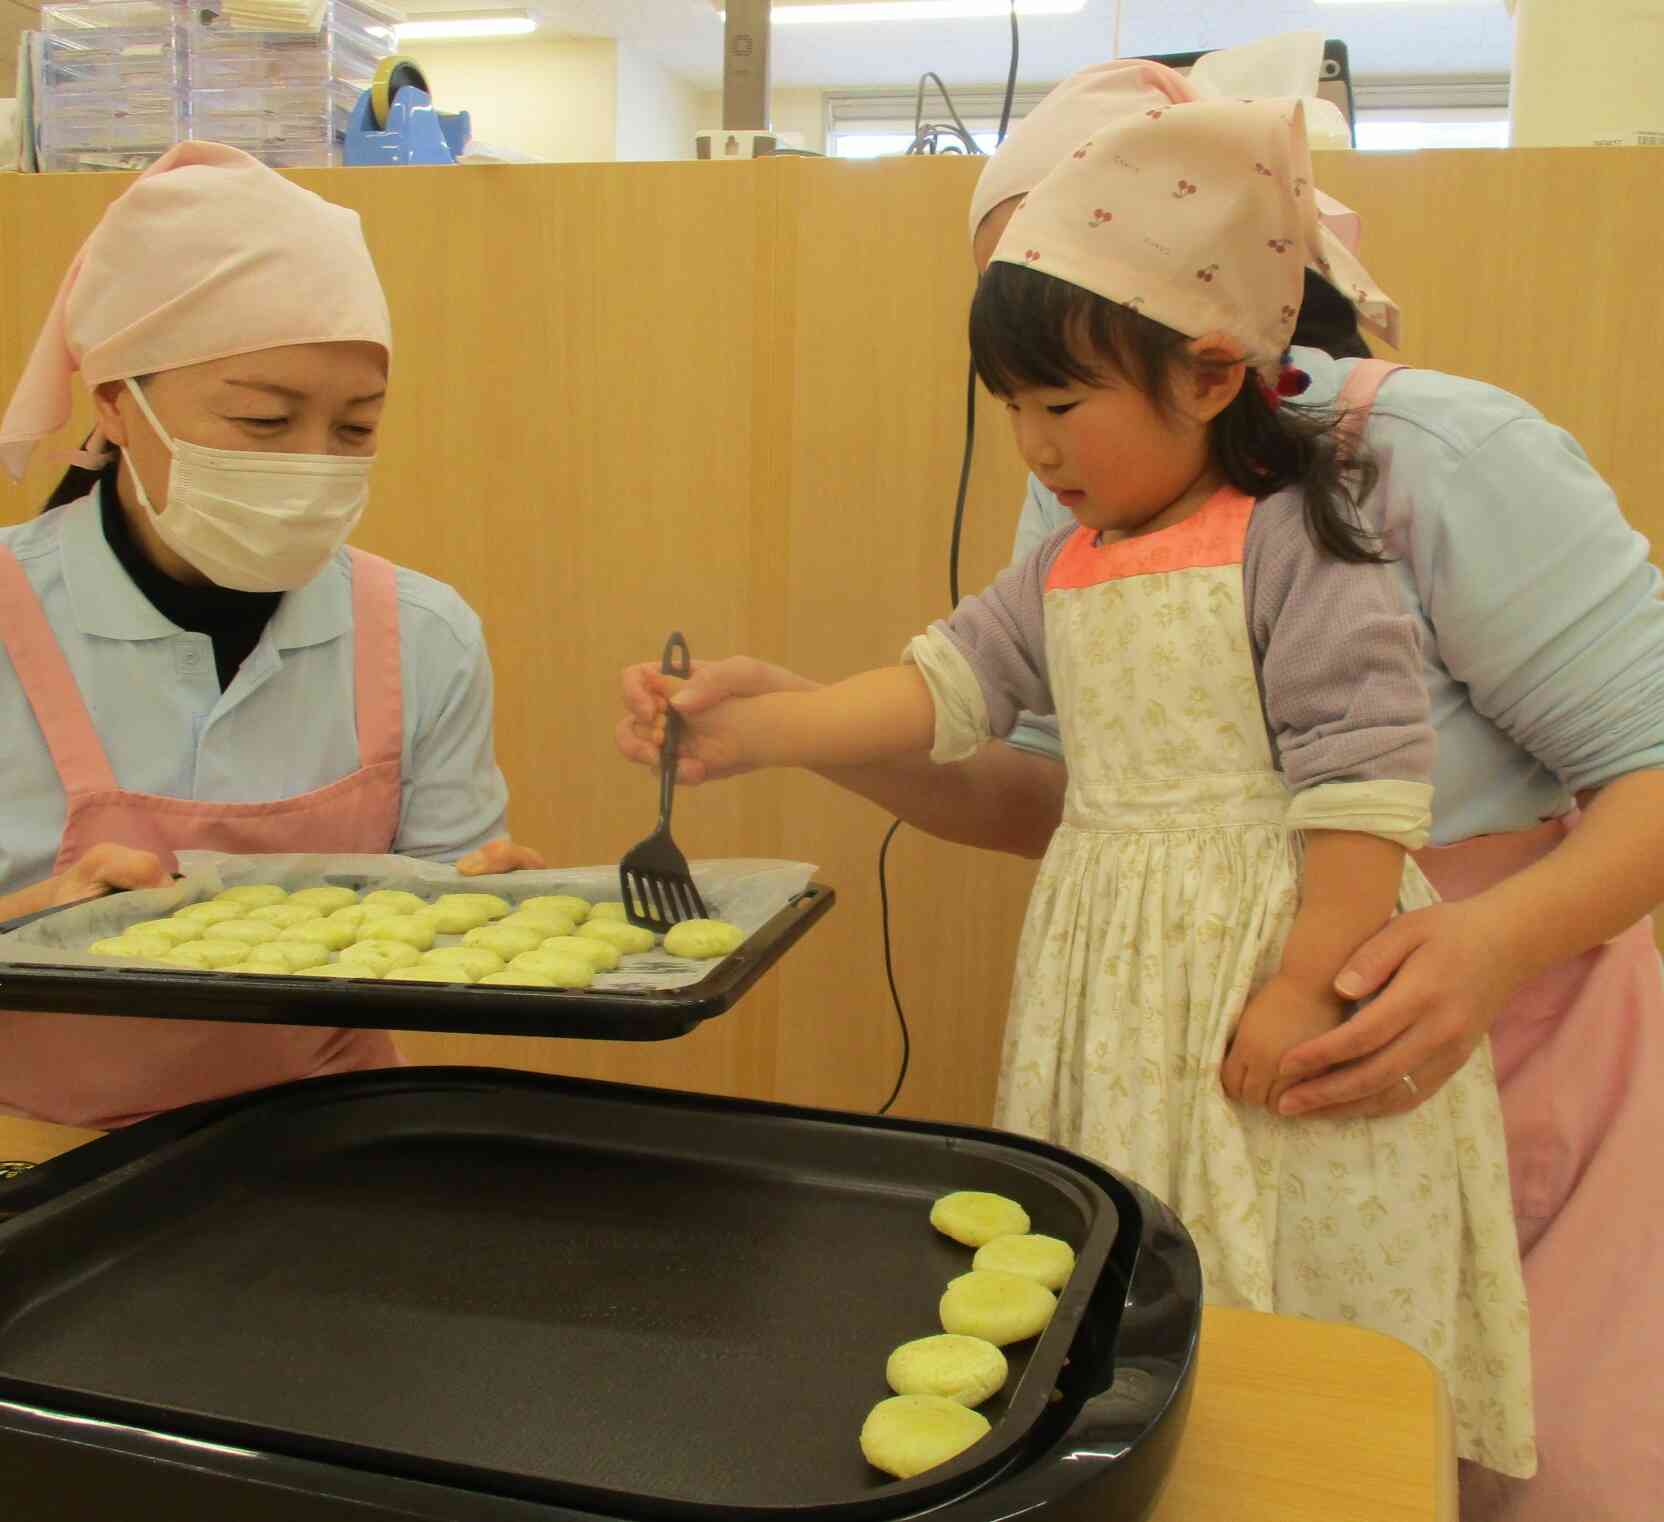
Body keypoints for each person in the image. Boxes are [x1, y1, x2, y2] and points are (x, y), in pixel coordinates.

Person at [621, 63, 1664, 1518]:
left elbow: (1427, 787)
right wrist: (783, 723)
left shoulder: (1394, 482)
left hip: (1432, 1020)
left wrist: (1453, 947)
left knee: (1450, 1444)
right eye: (1021, 384)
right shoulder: (1089, 510)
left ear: (1205, 348)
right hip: (1166, 1030)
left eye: (1069, 371)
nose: (1040, 438)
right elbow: (1013, 741)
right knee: (1206, 1417)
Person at [0, 142, 541, 1130]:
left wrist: (493, 917)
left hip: (329, 1145)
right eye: (263, 420)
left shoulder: (421, 636)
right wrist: (32, 922)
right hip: (34, 1151)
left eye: (353, 429)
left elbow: (445, 924)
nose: (312, 467)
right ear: (118, 404)